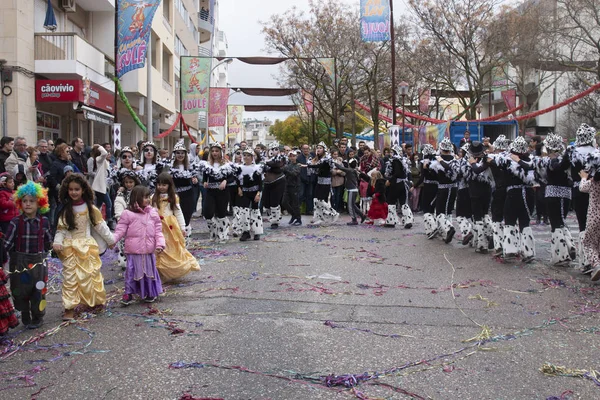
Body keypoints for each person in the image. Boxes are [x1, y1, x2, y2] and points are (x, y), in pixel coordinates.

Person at [53, 174, 115, 320]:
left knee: (90, 275)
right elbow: (61, 229)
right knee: (70, 278)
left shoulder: (90, 208)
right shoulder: (65, 209)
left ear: (83, 190)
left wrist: (111, 240)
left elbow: (100, 226)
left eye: (77, 189)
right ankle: (70, 308)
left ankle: (92, 301)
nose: (73, 192)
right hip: (70, 249)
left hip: (86, 247)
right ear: (66, 191)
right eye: (70, 189)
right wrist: (57, 242)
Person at [3, 181, 52, 329]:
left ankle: (38, 315)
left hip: (38, 261)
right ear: (19, 203)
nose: (28, 204)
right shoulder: (15, 222)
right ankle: (24, 311)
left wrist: (53, 248)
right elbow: (7, 243)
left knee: (38, 290)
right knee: (20, 290)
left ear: (40, 203)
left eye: (32, 201)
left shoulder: (44, 221)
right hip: (19, 262)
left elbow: (48, 240)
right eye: (24, 201)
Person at [113, 185, 164, 305]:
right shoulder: (127, 214)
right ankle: (129, 294)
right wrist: (112, 240)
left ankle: (149, 292)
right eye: (144, 197)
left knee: (148, 272)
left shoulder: (153, 213)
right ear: (136, 198)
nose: (147, 199)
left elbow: (158, 231)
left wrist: (160, 244)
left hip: (148, 251)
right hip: (133, 251)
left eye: (148, 197)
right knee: (132, 272)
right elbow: (120, 230)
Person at [152, 172, 200, 281]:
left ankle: (172, 269)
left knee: (171, 247)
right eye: (159, 184)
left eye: (164, 185)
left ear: (169, 185)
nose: (161, 187)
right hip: (157, 225)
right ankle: (160, 272)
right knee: (159, 248)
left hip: (170, 226)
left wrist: (183, 227)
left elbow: (178, 212)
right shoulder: (152, 197)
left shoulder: (173, 197)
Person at [495, 137, 536, 262]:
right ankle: (528, 252)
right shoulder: (531, 161)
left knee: (510, 219)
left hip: (513, 193)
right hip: (528, 193)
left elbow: (496, 160)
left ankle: (510, 250)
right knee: (524, 221)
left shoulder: (507, 160)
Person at [538, 134, 575, 265]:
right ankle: (566, 248)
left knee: (557, 224)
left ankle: (563, 253)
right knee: (559, 222)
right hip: (565, 194)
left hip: (554, 194)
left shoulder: (553, 161)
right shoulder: (561, 159)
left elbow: (551, 170)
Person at [569, 123, 599, 273]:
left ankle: (587, 261)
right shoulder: (596, 152)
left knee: (583, 225)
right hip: (595, 189)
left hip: (580, 189)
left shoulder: (573, 152)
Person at [199, 142, 237, 243]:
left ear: (220, 152)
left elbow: (232, 177)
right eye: (213, 151)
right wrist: (204, 182)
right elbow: (204, 178)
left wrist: (225, 181)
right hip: (210, 191)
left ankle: (223, 234)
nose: (214, 153)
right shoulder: (207, 165)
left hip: (223, 192)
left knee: (221, 214)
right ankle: (214, 232)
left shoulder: (227, 165)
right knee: (208, 213)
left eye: (216, 151)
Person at [165, 140, 199, 235]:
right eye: (178, 153)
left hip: (188, 196)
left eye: (182, 153)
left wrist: (195, 181)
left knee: (186, 217)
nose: (180, 155)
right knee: (175, 218)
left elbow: (196, 181)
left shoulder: (190, 167)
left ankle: (185, 239)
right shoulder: (169, 167)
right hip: (174, 196)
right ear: (174, 154)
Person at [466, 141, 495, 253]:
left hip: (475, 191)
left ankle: (482, 244)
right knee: (485, 214)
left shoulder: (471, 161)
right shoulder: (487, 159)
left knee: (478, 216)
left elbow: (476, 171)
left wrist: (473, 163)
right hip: (486, 190)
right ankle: (492, 234)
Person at [430, 138, 459, 243]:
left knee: (439, 212)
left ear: (441, 149)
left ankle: (449, 228)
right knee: (449, 210)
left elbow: (433, 175)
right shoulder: (455, 159)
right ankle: (447, 232)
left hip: (443, 188)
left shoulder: (438, 159)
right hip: (454, 187)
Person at [304, 142, 339, 225]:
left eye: (320, 148)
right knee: (316, 200)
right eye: (317, 148)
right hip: (319, 181)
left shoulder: (327, 158)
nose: (318, 149)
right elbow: (314, 167)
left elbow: (318, 166)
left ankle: (333, 213)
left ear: (324, 150)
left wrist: (307, 166)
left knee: (322, 200)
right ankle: (318, 217)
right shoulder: (317, 158)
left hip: (326, 182)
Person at [113, 170, 141, 270]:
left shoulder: (139, 193)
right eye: (126, 182)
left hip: (138, 224)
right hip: (125, 225)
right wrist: (123, 221)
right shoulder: (120, 195)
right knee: (125, 246)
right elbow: (118, 211)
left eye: (131, 182)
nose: (129, 184)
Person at [488, 135, 510, 256]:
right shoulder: (511, 158)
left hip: (499, 190)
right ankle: (512, 246)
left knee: (497, 217)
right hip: (511, 190)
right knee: (510, 218)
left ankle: (499, 245)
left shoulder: (491, 158)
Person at [236, 149, 265, 240]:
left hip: (255, 192)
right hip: (245, 192)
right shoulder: (240, 168)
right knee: (244, 211)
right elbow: (237, 180)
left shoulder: (257, 168)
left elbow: (260, 183)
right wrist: (239, 188)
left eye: (248, 155)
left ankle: (257, 232)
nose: (246, 157)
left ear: (252, 157)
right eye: (244, 155)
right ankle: (246, 232)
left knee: (255, 211)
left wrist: (258, 193)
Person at [383, 145, 413, 229]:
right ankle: (408, 220)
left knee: (391, 201)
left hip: (396, 184)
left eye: (392, 152)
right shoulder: (403, 160)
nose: (390, 154)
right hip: (403, 184)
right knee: (403, 202)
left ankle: (391, 221)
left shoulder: (395, 160)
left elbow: (397, 172)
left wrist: (390, 180)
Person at [578, 168, 600, 281]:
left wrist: (583, 177)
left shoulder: (592, 184)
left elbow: (582, 188)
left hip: (594, 218)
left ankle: (596, 265)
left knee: (588, 242)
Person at [414, 144, 438, 238]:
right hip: (437, 186)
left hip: (428, 186)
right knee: (433, 207)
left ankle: (431, 228)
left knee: (425, 207)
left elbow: (422, 177)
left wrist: (415, 186)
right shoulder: (437, 161)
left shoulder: (424, 162)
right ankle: (435, 226)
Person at [87, 144, 114, 230]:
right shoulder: (99, 160)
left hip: (103, 186)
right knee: (108, 203)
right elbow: (104, 153)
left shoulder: (104, 161)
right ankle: (109, 221)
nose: (108, 154)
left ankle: (95, 219)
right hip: (99, 187)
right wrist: (98, 146)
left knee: (98, 204)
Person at [262, 142, 287, 229]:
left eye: (276, 149)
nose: (273, 151)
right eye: (271, 149)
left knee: (274, 202)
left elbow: (277, 166)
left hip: (278, 182)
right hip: (267, 183)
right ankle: (272, 218)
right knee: (266, 203)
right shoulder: (265, 158)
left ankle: (275, 221)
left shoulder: (282, 157)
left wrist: (266, 162)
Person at [334, 158, 366, 225]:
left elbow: (340, 167)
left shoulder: (349, 170)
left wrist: (333, 162)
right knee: (353, 205)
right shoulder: (353, 170)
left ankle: (354, 220)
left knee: (350, 206)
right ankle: (362, 215)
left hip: (352, 189)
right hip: (353, 189)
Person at [282, 150, 302, 226]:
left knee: (295, 203)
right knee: (284, 202)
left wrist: (286, 169)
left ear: (296, 157)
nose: (292, 158)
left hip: (295, 186)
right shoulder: (288, 164)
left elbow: (295, 173)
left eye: (293, 156)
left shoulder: (298, 165)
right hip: (287, 185)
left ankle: (298, 219)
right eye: (291, 156)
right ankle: (294, 214)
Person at [297, 144, 315, 215]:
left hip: (311, 178)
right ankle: (298, 209)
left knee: (310, 195)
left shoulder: (312, 157)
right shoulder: (299, 158)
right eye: (304, 149)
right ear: (302, 149)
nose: (306, 150)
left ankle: (309, 210)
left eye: (307, 148)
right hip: (302, 179)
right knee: (301, 194)